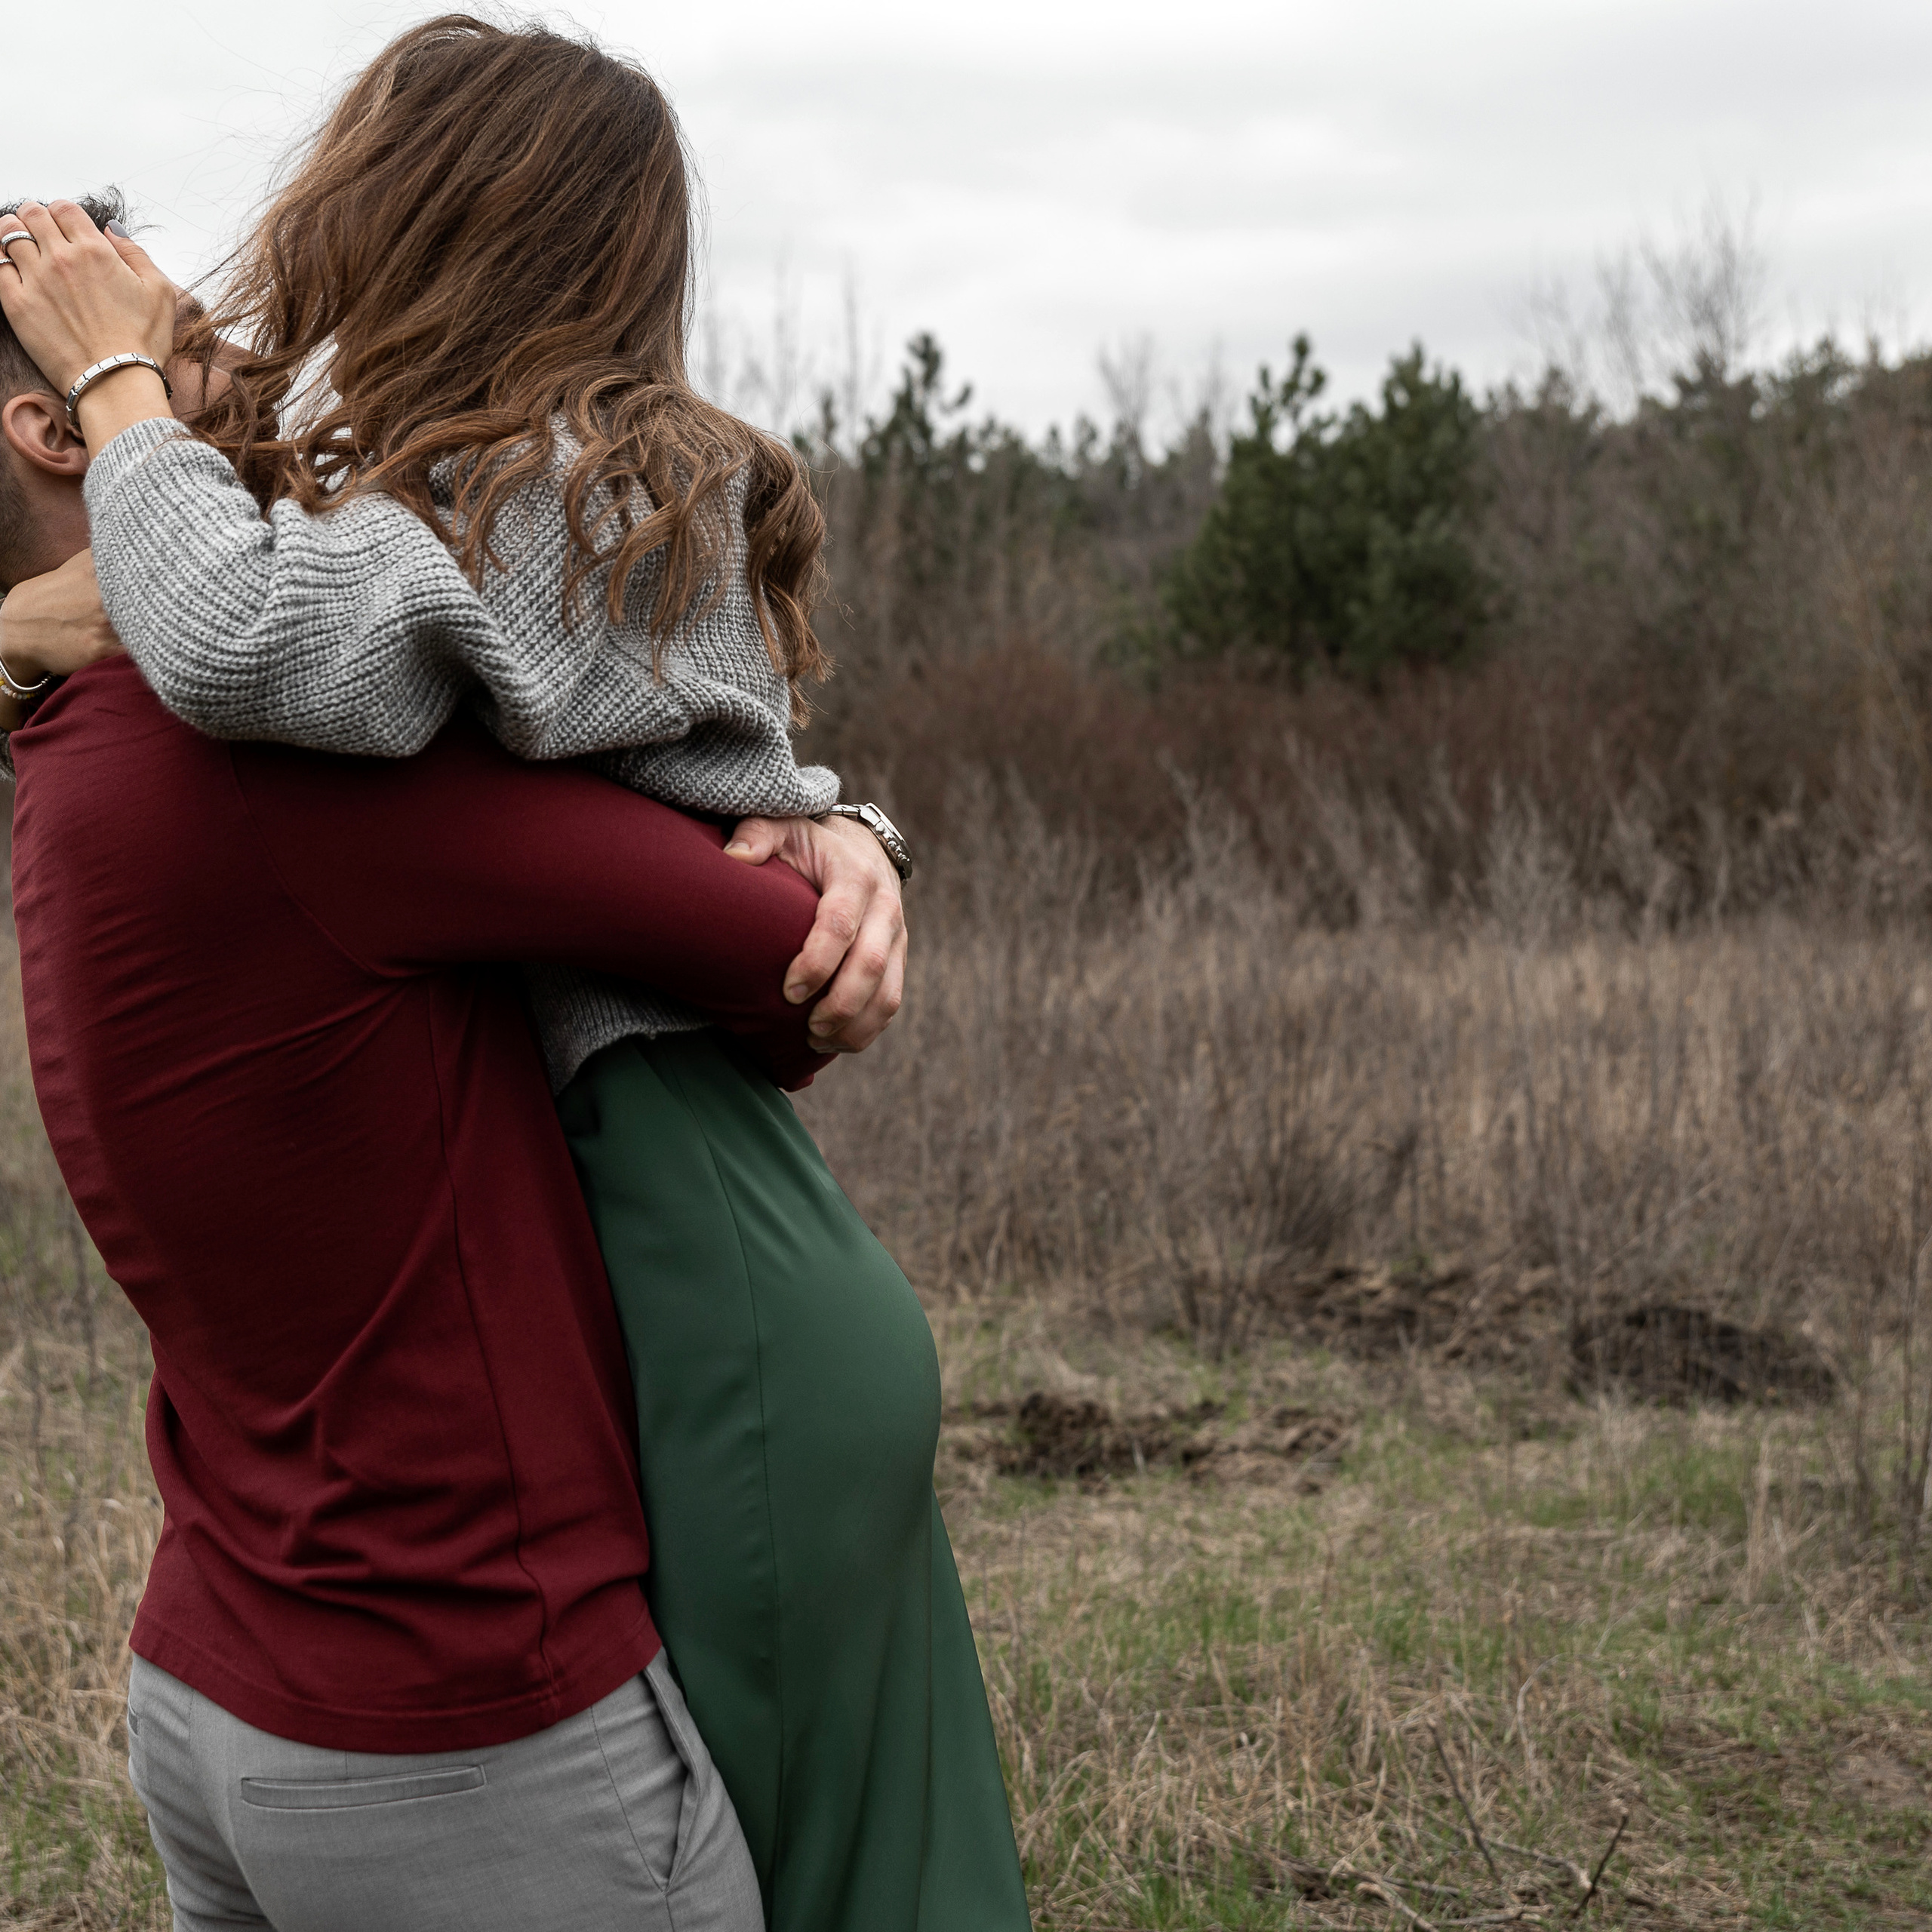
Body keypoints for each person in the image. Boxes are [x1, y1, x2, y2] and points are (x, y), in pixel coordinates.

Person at [0, 20, 1033, 1932]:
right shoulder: (289, 685)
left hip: (663, 1308)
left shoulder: (483, 517)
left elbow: (245, 629)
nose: (253, 286)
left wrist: (838, 817)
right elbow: (756, 937)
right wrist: (845, 834)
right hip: (650, 1324)